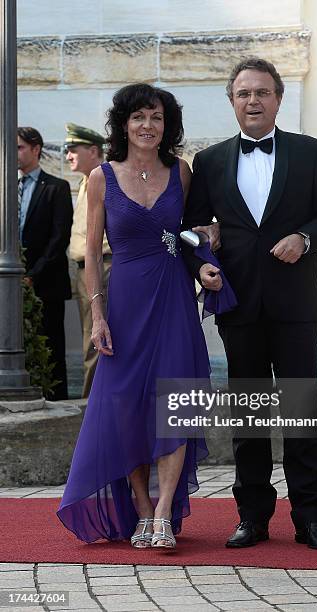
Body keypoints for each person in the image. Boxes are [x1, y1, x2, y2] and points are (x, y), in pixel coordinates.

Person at [182, 58, 317, 550]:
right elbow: (193, 233)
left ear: (279, 98)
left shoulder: (309, 152)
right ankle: (252, 517)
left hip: (296, 304)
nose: (252, 101)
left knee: (299, 412)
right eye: (243, 94)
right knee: (249, 416)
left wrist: (304, 236)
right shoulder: (209, 162)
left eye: (261, 92)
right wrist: (200, 267)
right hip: (239, 306)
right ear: (232, 102)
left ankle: (310, 518)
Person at [57, 84, 220, 549]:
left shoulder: (182, 173)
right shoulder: (102, 178)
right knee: (126, 407)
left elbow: (192, 235)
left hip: (172, 299)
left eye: (157, 118)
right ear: (124, 125)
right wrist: (98, 315)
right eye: (139, 118)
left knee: (176, 401)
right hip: (124, 303)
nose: (148, 126)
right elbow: (90, 251)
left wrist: (207, 251)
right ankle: (142, 510)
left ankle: (165, 512)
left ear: (167, 127)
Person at [17, 127, 73, 401]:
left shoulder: (56, 188)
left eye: (19, 148)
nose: (14, 154)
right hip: (11, 285)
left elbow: (59, 237)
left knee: (51, 346)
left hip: (46, 284)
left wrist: (32, 275)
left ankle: (57, 403)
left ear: (36, 148)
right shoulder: (6, 188)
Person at [65, 124, 111, 398]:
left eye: (73, 150)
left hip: (104, 265)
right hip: (86, 268)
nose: (68, 155)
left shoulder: (103, 179)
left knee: (97, 338)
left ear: (93, 150)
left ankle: (91, 404)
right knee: (90, 337)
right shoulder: (85, 183)